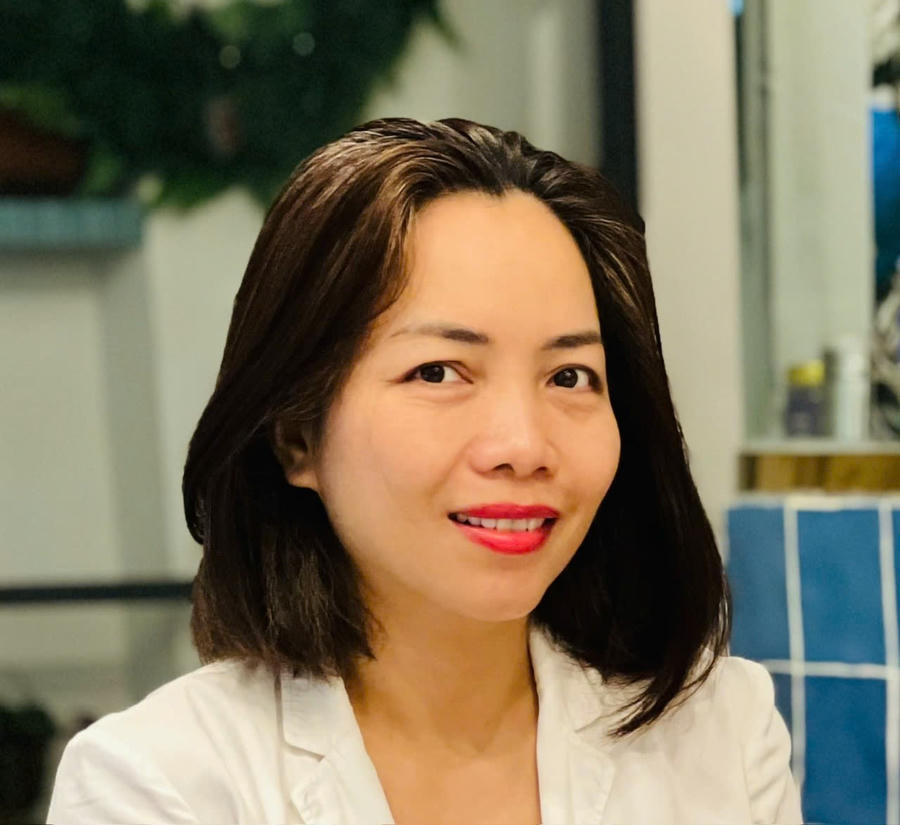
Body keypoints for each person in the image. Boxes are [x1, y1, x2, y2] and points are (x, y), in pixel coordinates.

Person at [47, 117, 803, 824]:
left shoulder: (722, 734)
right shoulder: (160, 783)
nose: (523, 445)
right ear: (296, 438)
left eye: (570, 376)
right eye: (439, 372)